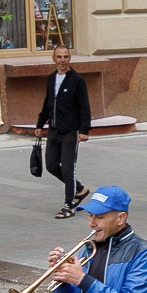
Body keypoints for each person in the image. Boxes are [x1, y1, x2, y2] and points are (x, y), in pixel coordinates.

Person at [35, 44, 92, 219]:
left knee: (68, 169)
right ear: (54, 59)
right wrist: (40, 123)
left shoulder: (76, 80)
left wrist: (84, 130)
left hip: (70, 132)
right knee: (51, 165)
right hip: (54, 130)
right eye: (59, 57)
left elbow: (84, 106)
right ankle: (80, 189)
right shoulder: (51, 78)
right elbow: (48, 102)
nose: (62, 60)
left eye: (65, 57)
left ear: (70, 59)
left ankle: (69, 205)